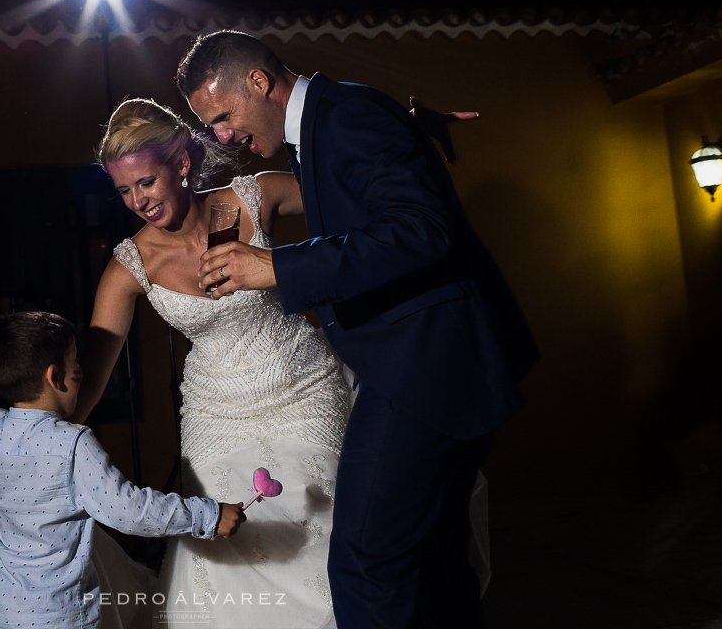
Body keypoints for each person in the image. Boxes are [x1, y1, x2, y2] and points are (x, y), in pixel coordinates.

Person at [178, 31, 539, 629]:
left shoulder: (347, 114)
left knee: (367, 562)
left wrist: (278, 266)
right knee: (432, 559)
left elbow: (423, 230)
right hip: (425, 362)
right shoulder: (330, 118)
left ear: (259, 83)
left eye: (221, 116)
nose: (220, 136)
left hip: (422, 368)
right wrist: (414, 124)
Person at [78, 97, 479, 628]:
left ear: (180, 165)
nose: (138, 201)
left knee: (337, 529)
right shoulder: (129, 265)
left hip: (302, 388)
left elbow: (351, 182)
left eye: (146, 183)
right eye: (124, 191)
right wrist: (26, 463)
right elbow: (91, 377)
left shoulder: (252, 195)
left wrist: (398, 128)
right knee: (220, 544)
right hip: (215, 418)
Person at [0, 310, 245, 629]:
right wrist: (208, 516)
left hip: (4, 615)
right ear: (54, 376)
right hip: (62, 617)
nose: (81, 370)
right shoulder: (72, 445)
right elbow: (130, 511)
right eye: (75, 361)